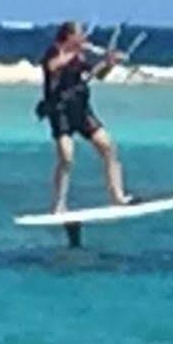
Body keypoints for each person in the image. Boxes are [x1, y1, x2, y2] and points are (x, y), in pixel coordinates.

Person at [37, 21, 129, 211]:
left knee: (107, 147)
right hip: (60, 111)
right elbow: (53, 67)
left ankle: (117, 196)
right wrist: (74, 51)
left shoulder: (80, 56)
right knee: (66, 156)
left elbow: (98, 75)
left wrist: (108, 63)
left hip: (81, 110)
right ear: (69, 36)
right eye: (80, 34)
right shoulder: (54, 51)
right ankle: (59, 204)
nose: (85, 38)